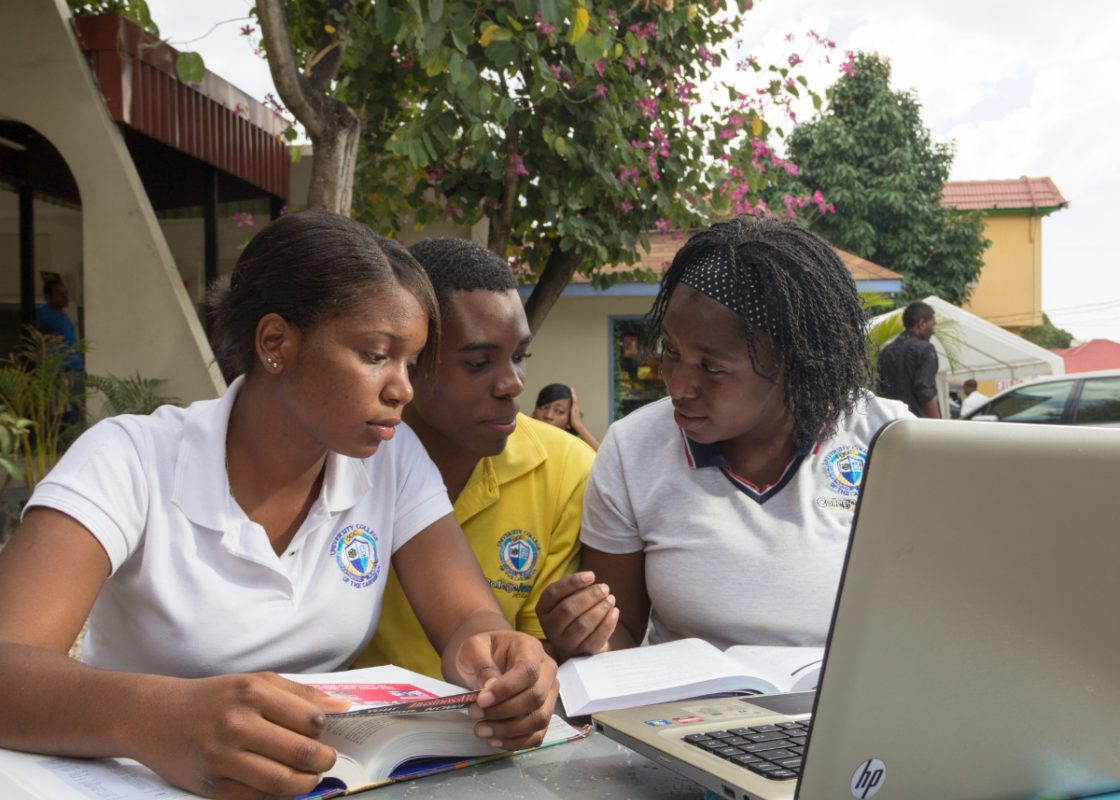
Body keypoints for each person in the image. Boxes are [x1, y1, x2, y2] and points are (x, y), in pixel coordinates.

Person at [0, 211, 557, 800]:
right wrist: (154, 719)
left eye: (411, 363)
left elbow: (468, 617)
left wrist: (496, 653)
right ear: (276, 344)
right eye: (375, 355)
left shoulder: (391, 459)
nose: (403, 389)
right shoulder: (131, 458)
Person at [536, 217, 913, 658]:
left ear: (792, 365)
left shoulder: (889, 442)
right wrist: (581, 636)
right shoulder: (632, 449)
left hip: (841, 716)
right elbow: (621, 632)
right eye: (671, 353)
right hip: (683, 719)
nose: (678, 385)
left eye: (712, 368)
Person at [357, 238, 599, 676]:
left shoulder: (564, 467)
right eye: (478, 363)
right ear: (409, 360)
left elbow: (536, 658)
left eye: (520, 357)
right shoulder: (346, 455)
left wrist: (561, 644)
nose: (513, 384)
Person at [877, 301, 941, 419]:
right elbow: (925, 393)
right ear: (921, 324)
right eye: (932, 325)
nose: (933, 330)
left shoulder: (885, 351)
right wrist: (941, 429)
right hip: (916, 427)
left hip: (889, 425)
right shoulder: (925, 349)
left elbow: (879, 391)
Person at [532, 383, 601, 452]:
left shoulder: (571, 449)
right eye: (544, 407)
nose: (548, 415)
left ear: (569, 421)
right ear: (534, 412)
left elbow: (604, 459)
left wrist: (578, 424)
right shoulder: (522, 439)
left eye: (559, 411)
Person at [35, 277, 84, 372]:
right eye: (59, 294)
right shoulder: (41, 311)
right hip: (57, 371)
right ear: (47, 296)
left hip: (76, 367)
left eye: (65, 293)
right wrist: (46, 339)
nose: (65, 297)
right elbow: (30, 337)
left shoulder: (64, 313)